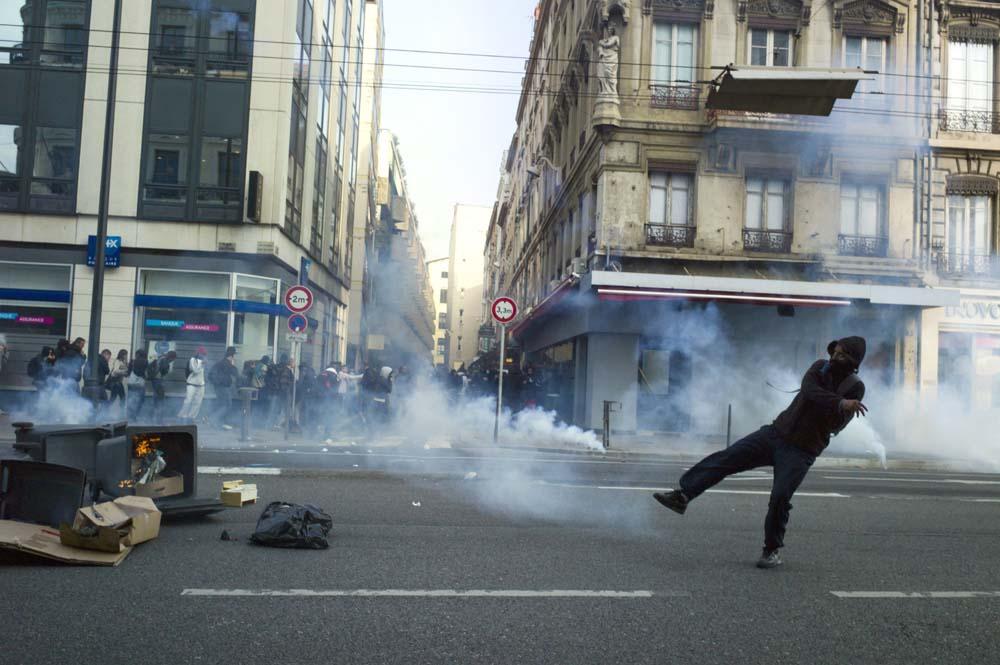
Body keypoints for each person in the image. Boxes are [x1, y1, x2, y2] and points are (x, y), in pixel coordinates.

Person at [653, 337, 869, 569]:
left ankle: (772, 550)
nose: (835, 358)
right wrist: (838, 402)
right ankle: (683, 495)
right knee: (728, 457)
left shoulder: (855, 387)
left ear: (854, 361)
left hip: (802, 450)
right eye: (835, 352)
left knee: (780, 497)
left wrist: (838, 406)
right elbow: (809, 389)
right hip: (775, 434)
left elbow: (836, 424)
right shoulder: (819, 367)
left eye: (842, 355)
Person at [208, 346, 239, 430]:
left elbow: (210, 374)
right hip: (223, 387)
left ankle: (221, 422)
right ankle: (213, 419)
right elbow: (236, 373)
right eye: (234, 355)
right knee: (227, 405)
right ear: (231, 355)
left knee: (222, 404)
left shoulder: (220, 363)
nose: (235, 357)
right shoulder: (227, 363)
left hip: (219, 387)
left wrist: (216, 383)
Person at [178, 346, 207, 423]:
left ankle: (191, 417)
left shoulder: (204, 361)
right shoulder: (192, 360)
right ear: (198, 353)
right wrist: (202, 364)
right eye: (202, 354)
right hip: (191, 384)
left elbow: (204, 373)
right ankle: (182, 416)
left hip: (201, 384)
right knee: (188, 401)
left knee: (198, 402)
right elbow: (195, 370)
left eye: (204, 354)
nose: (203, 355)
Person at [148, 350, 176, 424]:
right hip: (158, 380)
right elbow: (163, 370)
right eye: (173, 359)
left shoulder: (161, 358)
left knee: (155, 400)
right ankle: (159, 420)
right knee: (160, 401)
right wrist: (167, 368)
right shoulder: (165, 360)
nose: (173, 361)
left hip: (154, 380)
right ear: (171, 357)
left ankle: (151, 419)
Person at [126, 349, 148, 421]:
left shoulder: (132, 361)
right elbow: (144, 373)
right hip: (140, 385)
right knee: (140, 400)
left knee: (131, 399)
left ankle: (129, 415)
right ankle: (134, 416)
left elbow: (128, 373)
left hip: (132, 384)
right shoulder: (145, 361)